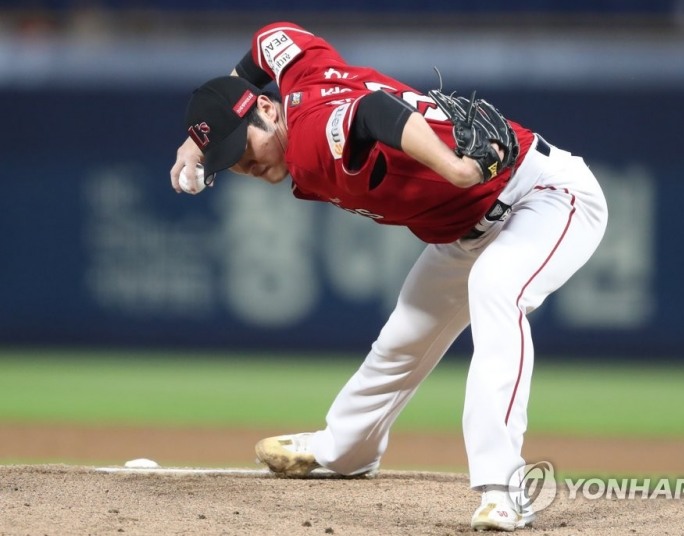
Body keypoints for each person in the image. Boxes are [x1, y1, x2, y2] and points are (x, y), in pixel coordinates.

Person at [170, 22, 607, 532]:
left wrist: (457, 169)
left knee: (497, 289)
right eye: (229, 161)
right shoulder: (296, 74)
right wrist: (200, 138)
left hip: (544, 196)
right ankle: (345, 449)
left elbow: (373, 112)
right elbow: (273, 39)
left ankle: (503, 486)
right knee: (406, 334)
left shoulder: (310, 135)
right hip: (465, 229)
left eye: (241, 147)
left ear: (267, 109)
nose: (243, 164)